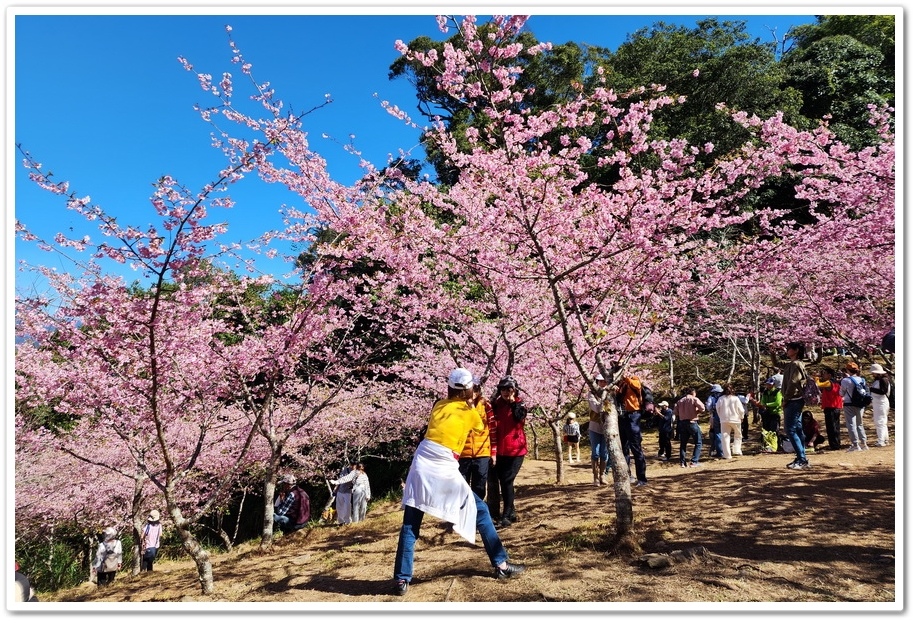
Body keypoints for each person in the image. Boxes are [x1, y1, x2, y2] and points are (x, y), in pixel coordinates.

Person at [393, 367, 525, 596]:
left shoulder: (438, 405)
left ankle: (401, 579)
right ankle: (501, 565)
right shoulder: (471, 413)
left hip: (421, 463)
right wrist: (473, 403)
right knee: (481, 511)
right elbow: (479, 426)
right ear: (469, 390)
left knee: (411, 523)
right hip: (443, 466)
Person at [488, 375, 528, 528]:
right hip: (500, 451)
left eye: (509, 389)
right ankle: (510, 513)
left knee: (507, 481)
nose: (506, 392)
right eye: (503, 389)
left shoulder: (520, 404)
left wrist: (513, 403)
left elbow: (519, 418)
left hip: (516, 450)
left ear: (515, 390)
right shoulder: (496, 404)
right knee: (503, 482)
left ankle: (506, 516)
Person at [459, 378, 497, 499]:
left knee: (479, 487)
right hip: (463, 453)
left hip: (482, 453)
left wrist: (493, 452)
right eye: (470, 389)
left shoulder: (486, 405)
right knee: (461, 486)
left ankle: (477, 514)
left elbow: (493, 430)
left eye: (476, 390)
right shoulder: (458, 406)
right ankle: (462, 515)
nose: (473, 393)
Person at [616, 369, 648, 486]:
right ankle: (628, 476)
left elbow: (637, 386)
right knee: (624, 448)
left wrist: (625, 377)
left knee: (636, 448)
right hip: (622, 416)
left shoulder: (634, 379)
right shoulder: (619, 383)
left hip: (633, 415)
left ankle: (642, 479)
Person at [782, 341, 810, 469]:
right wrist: (772, 353)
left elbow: (793, 382)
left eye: (789, 348)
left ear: (796, 350)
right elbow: (777, 363)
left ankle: (802, 459)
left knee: (790, 429)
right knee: (797, 429)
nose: (787, 350)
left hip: (794, 400)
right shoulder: (792, 364)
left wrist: (786, 398)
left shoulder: (796, 364)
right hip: (795, 399)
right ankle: (801, 457)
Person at [586, 374, 611, 485]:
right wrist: (604, 402)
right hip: (594, 426)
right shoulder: (592, 394)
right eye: (600, 381)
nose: (603, 383)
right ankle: (595, 477)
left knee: (604, 453)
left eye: (604, 381)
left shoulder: (610, 393)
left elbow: (610, 408)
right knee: (595, 453)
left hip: (607, 426)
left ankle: (602, 475)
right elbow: (596, 408)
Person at [748, 377, 783, 453]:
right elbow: (762, 401)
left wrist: (767, 405)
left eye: (770, 384)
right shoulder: (765, 392)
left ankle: (777, 446)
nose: (768, 386)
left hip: (775, 413)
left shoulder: (777, 392)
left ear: (773, 384)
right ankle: (767, 445)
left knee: (774, 430)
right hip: (766, 414)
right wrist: (761, 404)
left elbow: (778, 403)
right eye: (767, 384)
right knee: (766, 430)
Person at [840, 362, 869, 452]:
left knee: (851, 424)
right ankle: (864, 443)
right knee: (860, 423)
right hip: (860, 404)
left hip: (849, 404)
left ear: (848, 370)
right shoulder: (862, 380)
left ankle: (855, 444)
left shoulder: (845, 380)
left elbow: (841, 393)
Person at [674, 388, 705, 467]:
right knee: (698, 442)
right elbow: (703, 408)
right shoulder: (694, 399)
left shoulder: (680, 401)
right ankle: (694, 461)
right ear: (692, 393)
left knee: (683, 443)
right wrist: (696, 411)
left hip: (682, 423)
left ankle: (682, 462)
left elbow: (675, 412)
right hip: (692, 422)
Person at [816, 366, 844, 450]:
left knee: (831, 427)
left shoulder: (828, 383)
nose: (823, 375)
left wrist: (816, 377)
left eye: (824, 373)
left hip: (830, 407)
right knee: (836, 426)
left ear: (829, 375)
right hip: (837, 406)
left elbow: (818, 384)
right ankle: (837, 443)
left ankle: (834, 445)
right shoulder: (837, 383)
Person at [716, 385, 745, 459]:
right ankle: (737, 450)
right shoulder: (735, 398)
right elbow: (741, 410)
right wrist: (742, 417)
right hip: (735, 419)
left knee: (725, 437)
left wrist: (721, 417)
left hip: (724, 420)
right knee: (738, 435)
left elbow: (717, 409)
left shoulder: (720, 399)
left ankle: (727, 455)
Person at [868, 363, 892, 447]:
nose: (872, 374)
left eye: (873, 373)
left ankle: (881, 440)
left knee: (880, 421)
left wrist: (871, 389)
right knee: (882, 421)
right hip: (878, 403)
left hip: (881, 403)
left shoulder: (883, 380)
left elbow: (883, 391)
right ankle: (884, 439)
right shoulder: (879, 380)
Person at [705, 384, 724, 458]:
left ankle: (720, 452)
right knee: (725, 433)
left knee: (717, 433)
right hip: (724, 416)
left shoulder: (712, 397)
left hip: (716, 415)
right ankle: (726, 450)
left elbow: (709, 407)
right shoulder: (723, 396)